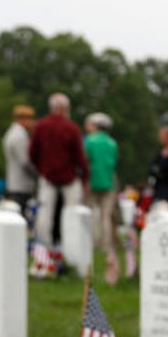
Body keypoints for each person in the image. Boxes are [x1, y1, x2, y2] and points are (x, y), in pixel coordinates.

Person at [28, 92, 88, 247]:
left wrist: (42, 168)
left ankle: (44, 246)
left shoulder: (41, 126)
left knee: (45, 213)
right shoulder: (71, 128)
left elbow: (32, 153)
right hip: (69, 176)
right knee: (72, 212)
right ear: (64, 108)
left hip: (47, 175)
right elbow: (80, 156)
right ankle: (71, 245)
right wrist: (84, 177)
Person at [83, 112, 120, 285]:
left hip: (93, 180)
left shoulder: (89, 141)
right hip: (109, 180)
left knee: (94, 214)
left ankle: (95, 241)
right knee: (106, 216)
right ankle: (106, 244)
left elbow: (85, 161)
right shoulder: (112, 143)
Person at [2, 104, 37, 215]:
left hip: (15, 182)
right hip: (21, 183)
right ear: (22, 119)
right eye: (30, 119)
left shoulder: (12, 133)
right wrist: (38, 175)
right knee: (19, 216)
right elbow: (25, 161)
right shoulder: (19, 136)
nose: (32, 122)